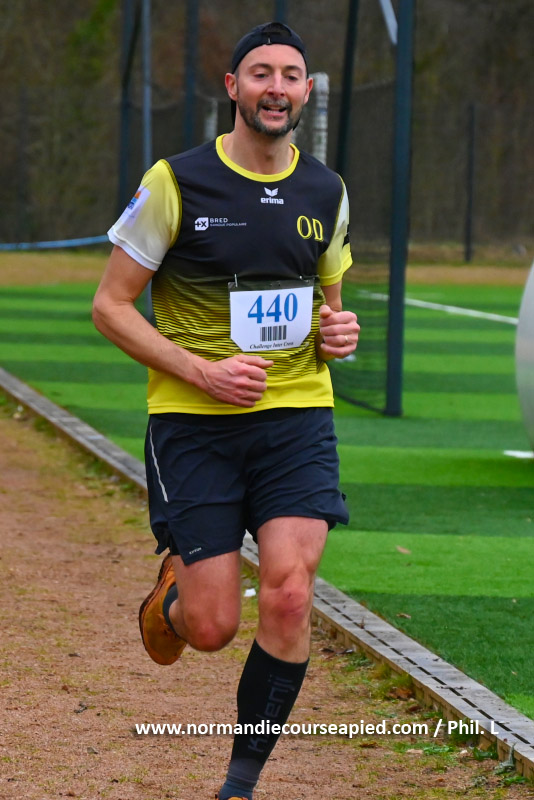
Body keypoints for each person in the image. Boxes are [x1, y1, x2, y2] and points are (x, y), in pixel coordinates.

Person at [92, 20, 359, 800]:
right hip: (193, 425)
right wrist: (201, 372)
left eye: (291, 75)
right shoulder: (176, 183)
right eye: (261, 73)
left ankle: (238, 786)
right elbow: (110, 307)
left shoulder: (327, 191)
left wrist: (337, 333)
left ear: (306, 92)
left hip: (296, 418)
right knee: (210, 629)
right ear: (234, 88)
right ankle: (174, 596)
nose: (277, 88)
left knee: (290, 592)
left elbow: (330, 313)